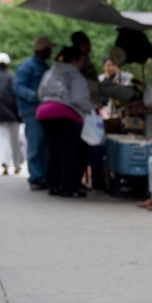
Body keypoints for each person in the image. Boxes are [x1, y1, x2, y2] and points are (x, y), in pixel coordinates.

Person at [35, 46, 93, 198]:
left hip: (43, 112)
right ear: (74, 60)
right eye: (81, 60)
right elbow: (79, 99)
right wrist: (90, 108)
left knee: (54, 150)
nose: (83, 63)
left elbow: (40, 93)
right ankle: (68, 187)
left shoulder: (49, 72)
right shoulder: (75, 74)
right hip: (65, 113)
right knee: (70, 151)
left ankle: (53, 185)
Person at [14, 36, 54, 190]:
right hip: (32, 111)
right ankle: (36, 177)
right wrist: (35, 96)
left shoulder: (43, 67)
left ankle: (42, 176)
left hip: (42, 110)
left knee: (45, 146)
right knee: (36, 145)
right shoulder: (28, 67)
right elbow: (18, 87)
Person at [0, 52, 23, 176]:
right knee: (14, 140)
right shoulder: (12, 78)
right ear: (8, 64)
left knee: (1, 138)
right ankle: (17, 164)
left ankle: (4, 162)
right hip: (12, 114)